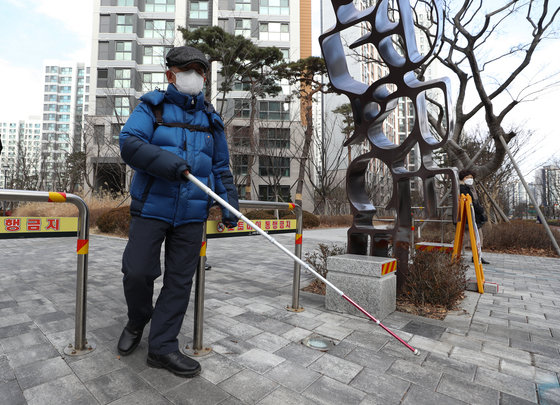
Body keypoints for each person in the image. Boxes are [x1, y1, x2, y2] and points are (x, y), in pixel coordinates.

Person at [117, 46, 239, 378]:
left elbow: (220, 166)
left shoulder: (211, 120)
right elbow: (129, 143)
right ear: (170, 74)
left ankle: (162, 348)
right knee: (138, 272)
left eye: (200, 71)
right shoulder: (151, 108)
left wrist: (230, 205)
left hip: (192, 214)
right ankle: (138, 317)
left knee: (179, 282)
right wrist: (168, 163)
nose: (195, 76)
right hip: (151, 207)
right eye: (188, 70)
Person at [459, 169, 489, 264]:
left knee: (479, 236)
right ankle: (452, 251)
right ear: (462, 178)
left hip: (474, 217)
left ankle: (477, 256)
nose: (470, 179)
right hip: (466, 217)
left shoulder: (472, 188)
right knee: (465, 238)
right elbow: (470, 202)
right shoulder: (461, 188)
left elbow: (476, 201)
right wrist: (479, 209)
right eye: (467, 177)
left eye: (471, 177)